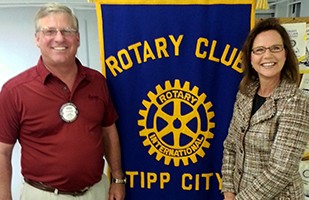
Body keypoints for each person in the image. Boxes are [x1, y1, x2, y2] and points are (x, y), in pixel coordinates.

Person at [0, 3, 125, 200]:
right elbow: (3, 152)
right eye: (49, 31)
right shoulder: (14, 91)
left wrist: (117, 179)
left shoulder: (97, 81)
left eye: (67, 30)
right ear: (37, 39)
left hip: (97, 192)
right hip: (43, 195)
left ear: (77, 38)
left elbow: (108, 131)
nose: (59, 38)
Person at [221, 18, 309, 200]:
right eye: (259, 50)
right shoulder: (245, 93)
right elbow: (230, 146)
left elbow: (281, 170)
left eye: (275, 48)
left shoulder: (296, 101)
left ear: (286, 53)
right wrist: (229, 192)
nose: (267, 56)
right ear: (251, 57)